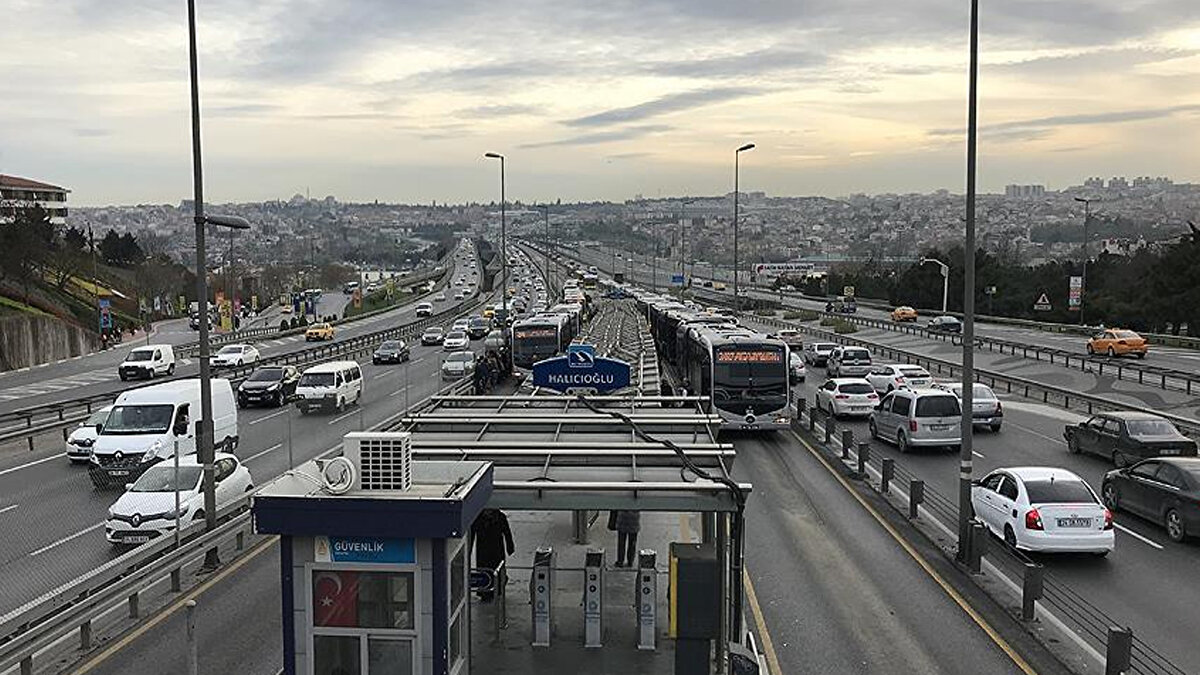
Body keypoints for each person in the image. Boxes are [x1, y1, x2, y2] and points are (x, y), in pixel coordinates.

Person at [471, 509, 514, 601]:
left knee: (495, 568)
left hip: (495, 549)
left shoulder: (499, 517)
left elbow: (507, 533)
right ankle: (485, 592)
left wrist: (510, 547)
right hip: (485, 549)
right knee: (485, 570)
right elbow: (472, 535)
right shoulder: (478, 518)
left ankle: (496, 589)